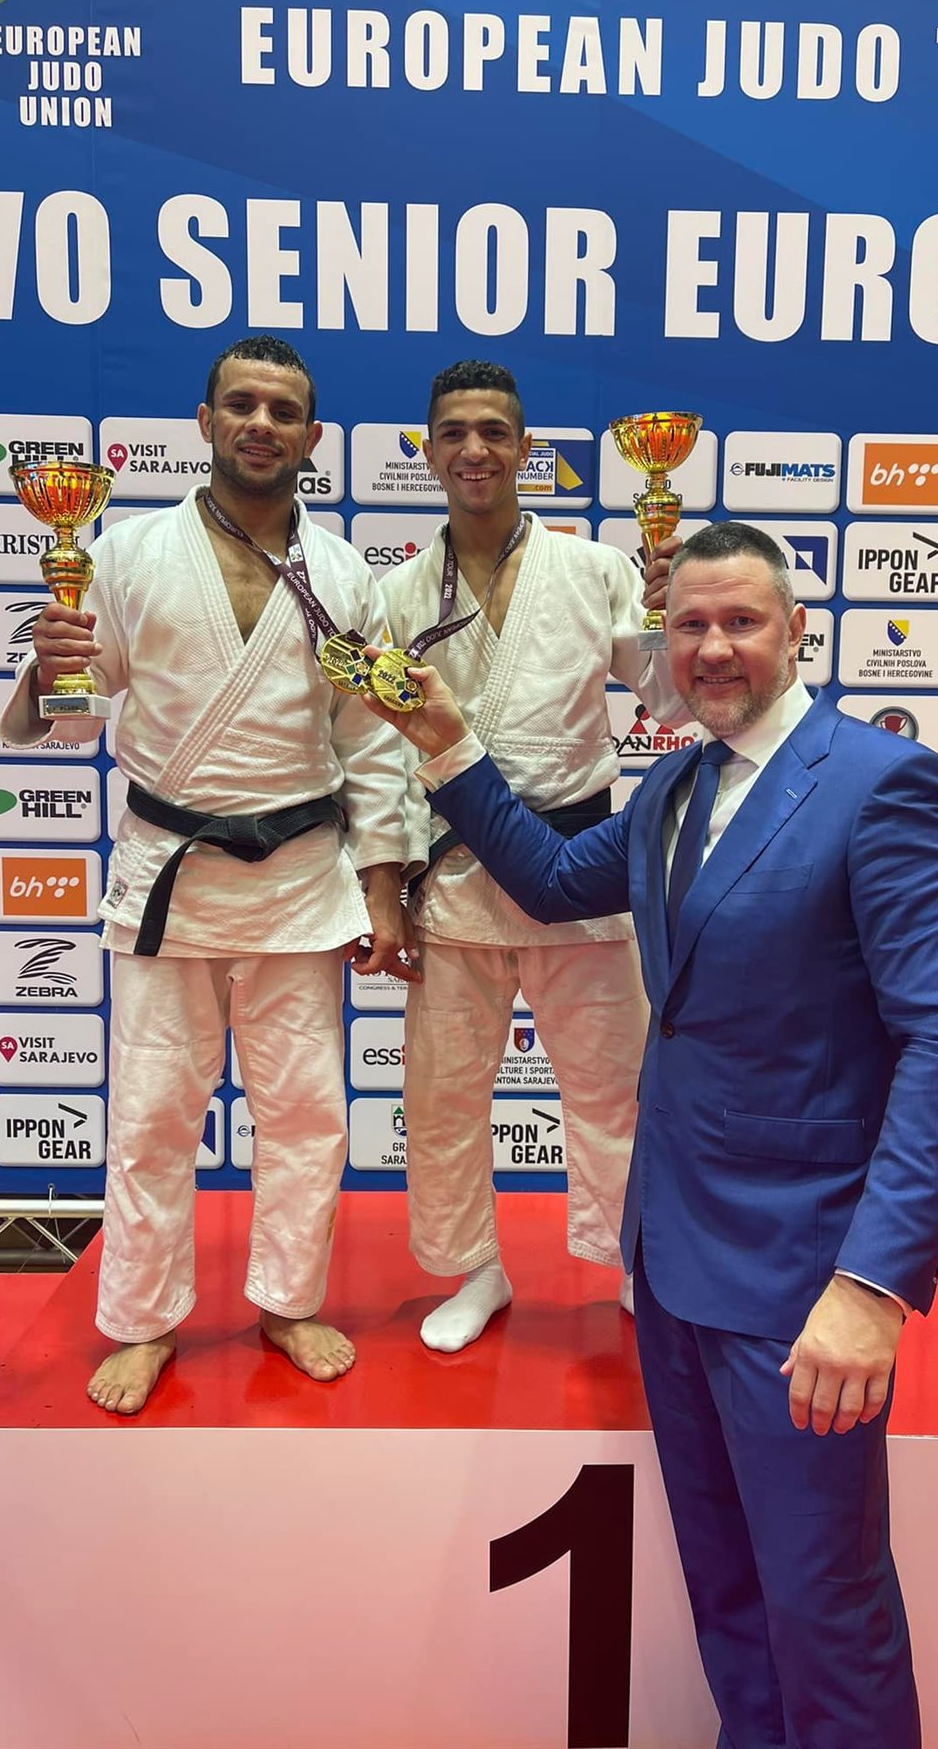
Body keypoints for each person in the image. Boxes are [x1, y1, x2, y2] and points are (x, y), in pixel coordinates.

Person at [366, 520, 938, 1746]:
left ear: (798, 633)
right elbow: (554, 883)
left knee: (825, 1604)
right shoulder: (673, 784)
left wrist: (872, 1286)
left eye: (742, 622)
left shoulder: (886, 786)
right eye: (690, 625)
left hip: (802, 1283)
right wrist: (446, 742)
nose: (713, 648)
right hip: (671, 1267)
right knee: (731, 1591)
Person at [1, 335, 413, 1415]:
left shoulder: (344, 574)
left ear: (313, 437)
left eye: (283, 410)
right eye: (242, 404)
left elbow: (371, 743)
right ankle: (143, 1321)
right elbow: (69, 718)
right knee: (151, 1116)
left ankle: (287, 1301)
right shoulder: (125, 553)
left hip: (300, 878)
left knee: (308, 1113)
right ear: (205, 419)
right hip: (170, 877)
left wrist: (382, 884)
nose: (260, 424)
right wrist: (49, 673)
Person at [379, 359, 686, 1353]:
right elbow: (379, 753)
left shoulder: (596, 570)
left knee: (614, 1085)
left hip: (579, 864)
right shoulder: (397, 593)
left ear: (524, 449)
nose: (474, 449)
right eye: (454, 432)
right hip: (455, 871)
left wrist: (670, 614)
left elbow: (669, 701)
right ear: (429, 451)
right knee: (444, 1094)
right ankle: (476, 1270)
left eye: (494, 432)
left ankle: (636, 1263)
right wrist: (386, 886)